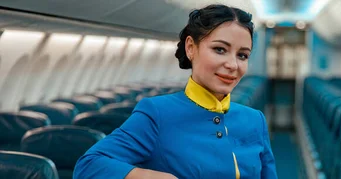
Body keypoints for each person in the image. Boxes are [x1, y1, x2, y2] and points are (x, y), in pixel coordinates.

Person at [73, 4, 277, 179]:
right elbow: (89, 166)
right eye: (220, 50)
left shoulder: (254, 120)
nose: (233, 64)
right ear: (191, 47)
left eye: (242, 55)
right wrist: (146, 175)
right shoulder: (157, 113)